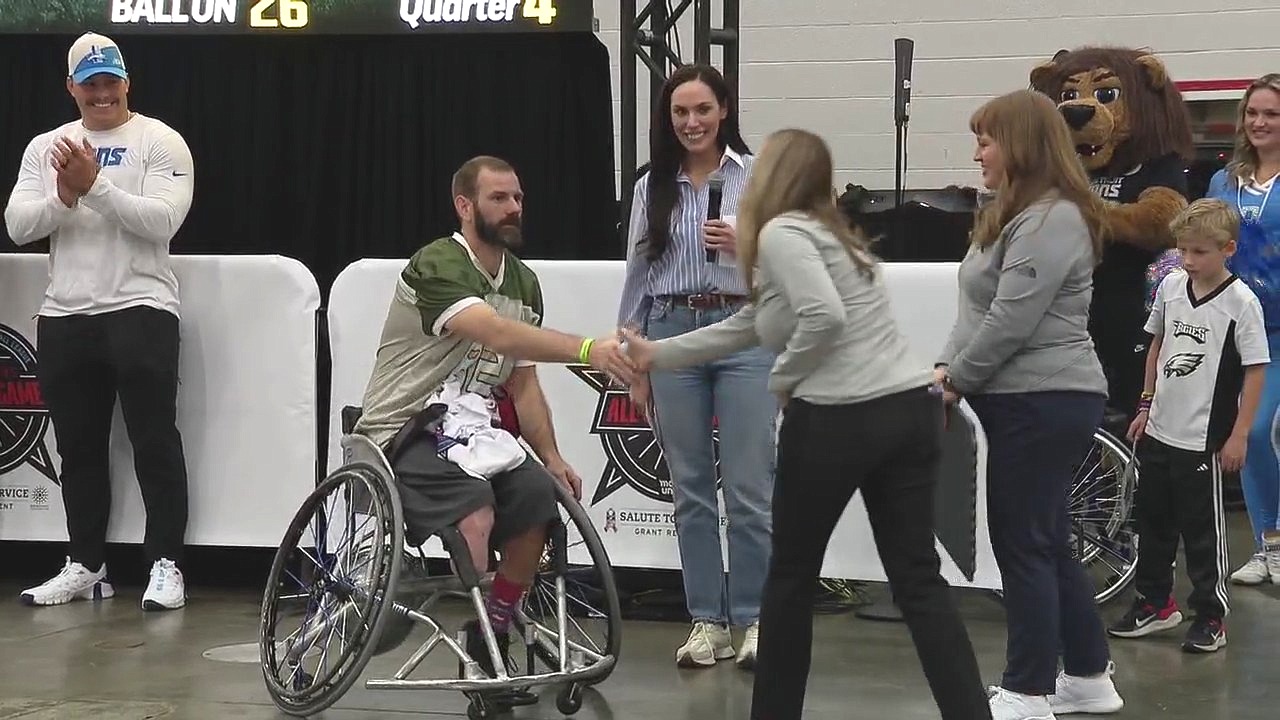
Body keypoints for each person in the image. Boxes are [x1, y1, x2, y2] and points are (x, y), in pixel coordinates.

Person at [620, 128, 992, 720]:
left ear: (774, 175)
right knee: (919, 582)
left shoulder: (783, 233)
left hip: (840, 417)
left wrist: (784, 378)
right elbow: (752, 325)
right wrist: (658, 355)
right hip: (909, 410)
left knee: (789, 579)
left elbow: (822, 317)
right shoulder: (835, 237)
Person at [352, 155, 634, 680]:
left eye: (518, 198)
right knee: (476, 510)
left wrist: (551, 456)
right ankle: (481, 622)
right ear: (465, 205)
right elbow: (496, 334)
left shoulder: (524, 284)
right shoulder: (437, 263)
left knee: (536, 500)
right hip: (407, 426)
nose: (513, 208)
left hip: (473, 432)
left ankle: (490, 632)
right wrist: (589, 348)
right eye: (498, 198)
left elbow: (521, 381)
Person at [935, 89, 1124, 720]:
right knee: (1044, 539)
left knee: (1023, 542)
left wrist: (957, 377)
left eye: (986, 140)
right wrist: (946, 367)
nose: (978, 152)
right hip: (1024, 399)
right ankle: (1089, 677)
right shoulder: (1011, 214)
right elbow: (978, 312)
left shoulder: (1054, 218)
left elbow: (1013, 321)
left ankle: (1027, 689)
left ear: (1019, 145)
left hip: (1044, 398)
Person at [4, 32, 195, 611]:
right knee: (77, 448)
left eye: (110, 82)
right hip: (65, 314)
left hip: (142, 307)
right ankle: (87, 564)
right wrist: (64, 197)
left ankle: (167, 562)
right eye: (90, 84)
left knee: (154, 439)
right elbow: (18, 225)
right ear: (71, 88)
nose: (101, 94)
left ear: (126, 82)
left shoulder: (159, 140)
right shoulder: (47, 147)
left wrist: (95, 187)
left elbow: (162, 222)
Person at [617, 62, 775, 669]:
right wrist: (631, 351)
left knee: (749, 486)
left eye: (702, 110)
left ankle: (755, 618)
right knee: (690, 488)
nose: (691, 122)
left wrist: (748, 245)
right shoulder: (650, 185)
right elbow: (638, 272)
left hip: (744, 331)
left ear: (725, 110)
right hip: (671, 330)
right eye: (680, 112)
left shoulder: (759, 178)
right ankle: (706, 621)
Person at [1107, 198, 1268, 653]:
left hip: (1204, 439)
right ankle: (1156, 604)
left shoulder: (1242, 303)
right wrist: (1144, 405)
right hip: (1160, 429)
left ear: (1228, 249)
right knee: (1153, 523)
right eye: (1183, 251)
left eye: (1200, 252)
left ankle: (1211, 615)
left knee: (1203, 533)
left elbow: (1256, 370)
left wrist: (1238, 433)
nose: (1189, 261)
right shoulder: (1172, 288)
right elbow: (1156, 345)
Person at [1204, 73, 1280, 585]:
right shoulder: (1224, 181)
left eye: (1271, 114)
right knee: (1246, 435)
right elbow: (1205, 237)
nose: (1259, 122)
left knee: (1261, 429)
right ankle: (1266, 543)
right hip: (1239, 328)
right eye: (1252, 113)